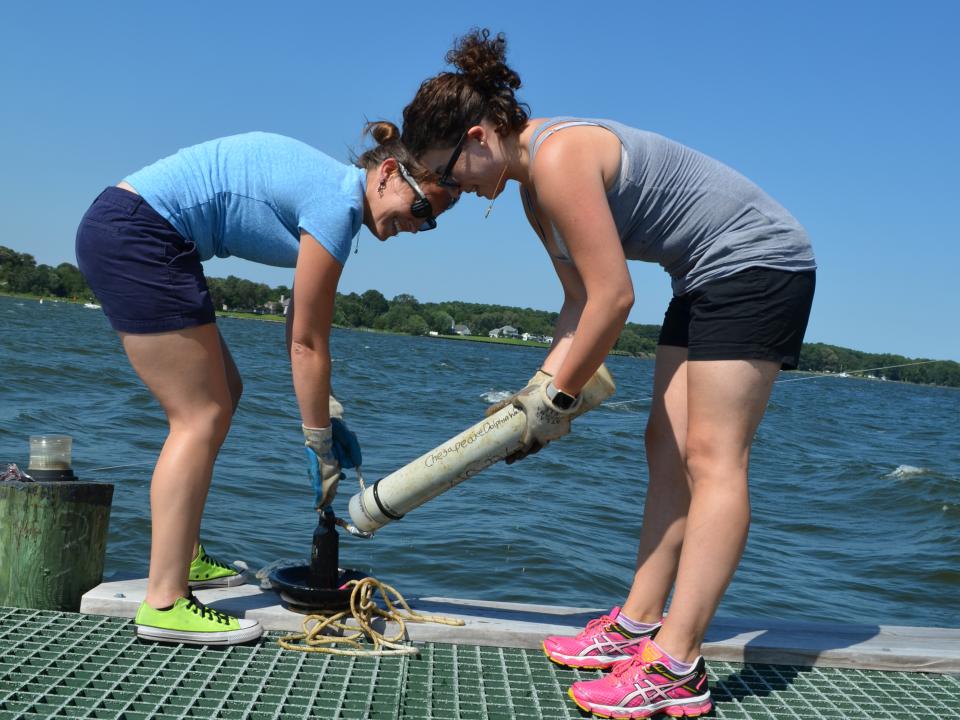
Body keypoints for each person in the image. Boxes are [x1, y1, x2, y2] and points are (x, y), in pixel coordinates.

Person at [400, 29, 815, 718]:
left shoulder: (560, 157)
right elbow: (576, 304)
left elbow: (615, 298)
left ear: (477, 136)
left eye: (447, 171)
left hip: (758, 264)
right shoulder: (534, 189)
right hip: (703, 274)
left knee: (714, 458)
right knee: (665, 445)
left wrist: (558, 401)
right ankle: (640, 623)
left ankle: (678, 668)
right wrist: (533, 401)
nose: (453, 190)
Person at [75, 123, 456, 646]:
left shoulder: (335, 198)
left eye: (433, 222)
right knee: (199, 415)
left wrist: (329, 414)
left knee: (224, 393)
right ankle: (164, 600)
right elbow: (306, 343)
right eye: (423, 210)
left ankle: (183, 555)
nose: (421, 225)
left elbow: (299, 330)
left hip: (140, 231)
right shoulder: (336, 207)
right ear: (389, 174)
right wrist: (317, 440)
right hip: (138, 233)